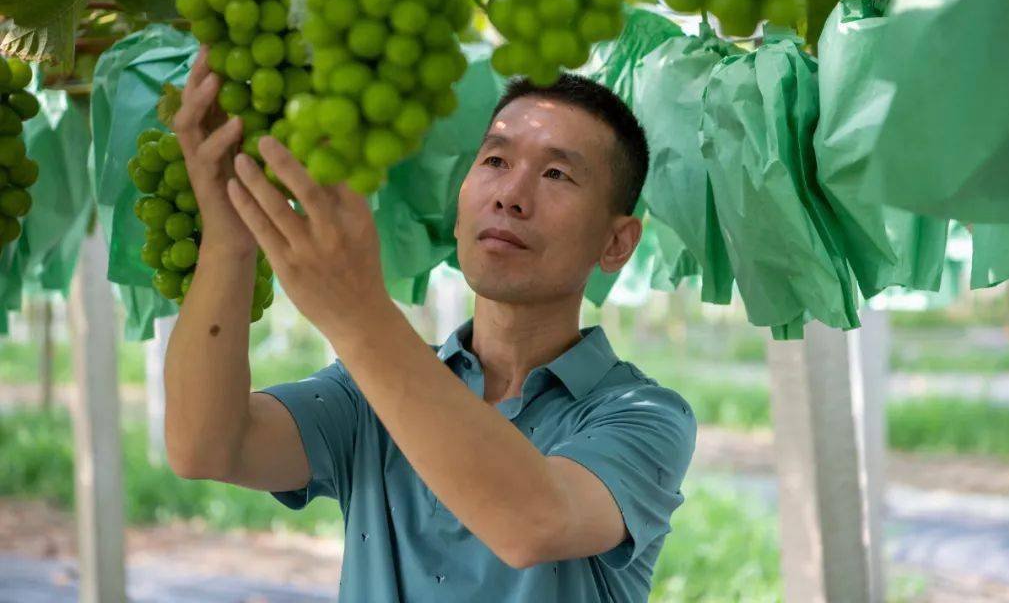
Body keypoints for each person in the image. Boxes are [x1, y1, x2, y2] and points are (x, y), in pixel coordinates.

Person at [164, 45, 697, 603]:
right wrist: (227, 238)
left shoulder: (643, 416)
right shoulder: (366, 391)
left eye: (557, 173)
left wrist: (358, 314)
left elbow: (533, 522)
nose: (510, 196)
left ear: (616, 243)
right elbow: (205, 447)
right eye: (495, 161)